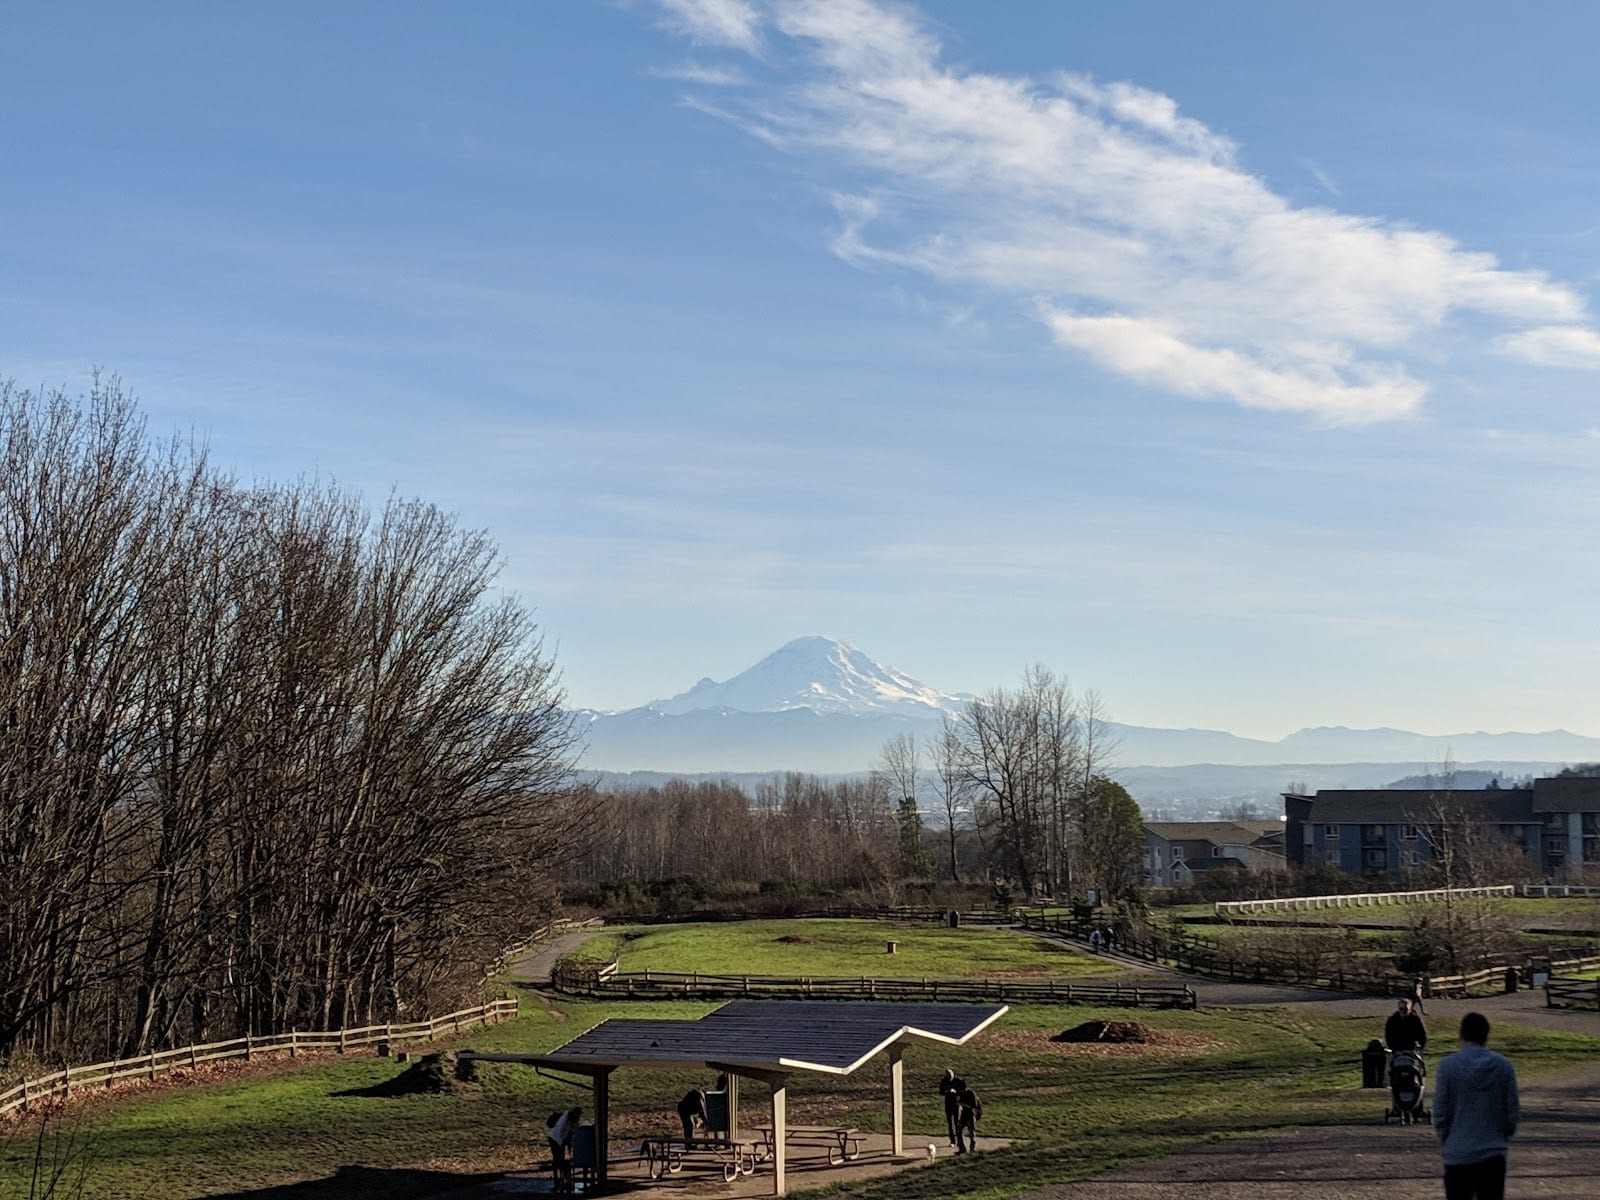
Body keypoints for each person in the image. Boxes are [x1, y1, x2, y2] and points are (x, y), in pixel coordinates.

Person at [1433, 1012, 1519, 1200]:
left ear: (1461, 1034)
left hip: (1458, 1152)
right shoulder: (1503, 1067)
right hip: (1493, 1152)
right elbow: (1512, 1110)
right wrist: (1503, 1134)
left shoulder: (1447, 1067)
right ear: (1486, 1035)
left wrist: (1447, 1138)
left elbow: (1440, 1111)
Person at [547, 1106, 581, 1192]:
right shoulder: (565, 1117)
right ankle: (558, 1179)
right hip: (554, 1138)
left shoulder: (572, 1121)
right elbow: (559, 1130)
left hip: (560, 1140)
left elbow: (570, 1132)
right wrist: (560, 1144)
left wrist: (569, 1146)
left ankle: (562, 1179)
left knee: (561, 1159)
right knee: (557, 1158)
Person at [954, 1081, 981, 1154]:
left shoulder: (971, 1093)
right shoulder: (961, 1094)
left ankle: (972, 1148)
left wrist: (963, 1104)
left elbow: (974, 1106)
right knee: (959, 1131)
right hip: (963, 1115)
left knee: (971, 1132)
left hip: (970, 1115)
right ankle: (962, 1149)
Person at [938, 1069, 960, 1147]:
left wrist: (956, 1092)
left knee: (957, 1123)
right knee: (950, 1123)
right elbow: (941, 1091)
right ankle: (952, 1141)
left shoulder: (958, 1081)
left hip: (956, 1104)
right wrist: (947, 1091)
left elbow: (962, 1091)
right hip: (948, 1104)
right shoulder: (944, 1081)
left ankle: (959, 1140)